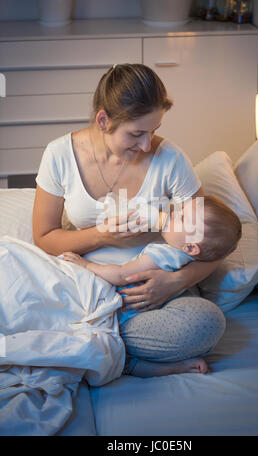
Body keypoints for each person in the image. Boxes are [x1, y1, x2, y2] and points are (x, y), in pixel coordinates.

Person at [32, 63, 227, 378]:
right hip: (89, 288)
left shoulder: (172, 160)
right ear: (103, 120)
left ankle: (81, 342)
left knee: (205, 323)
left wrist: (173, 283)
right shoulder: (59, 155)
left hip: (154, 296)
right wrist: (103, 236)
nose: (147, 144)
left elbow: (209, 245)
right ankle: (98, 343)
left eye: (154, 130)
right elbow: (43, 237)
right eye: (137, 133)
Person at [60, 195, 242, 376]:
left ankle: (131, 358)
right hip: (144, 313)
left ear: (191, 247)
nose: (172, 214)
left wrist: (86, 265)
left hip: (124, 311)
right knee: (121, 358)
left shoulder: (164, 254)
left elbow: (122, 275)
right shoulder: (184, 257)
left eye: (182, 217)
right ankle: (169, 367)